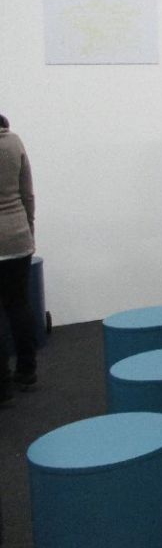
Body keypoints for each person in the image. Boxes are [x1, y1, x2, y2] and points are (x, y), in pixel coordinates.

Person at [0, 113, 36, 405]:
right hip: (18, 236)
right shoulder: (14, 142)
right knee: (19, 305)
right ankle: (27, 371)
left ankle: (2, 387)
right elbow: (27, 194)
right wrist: (29, 230)